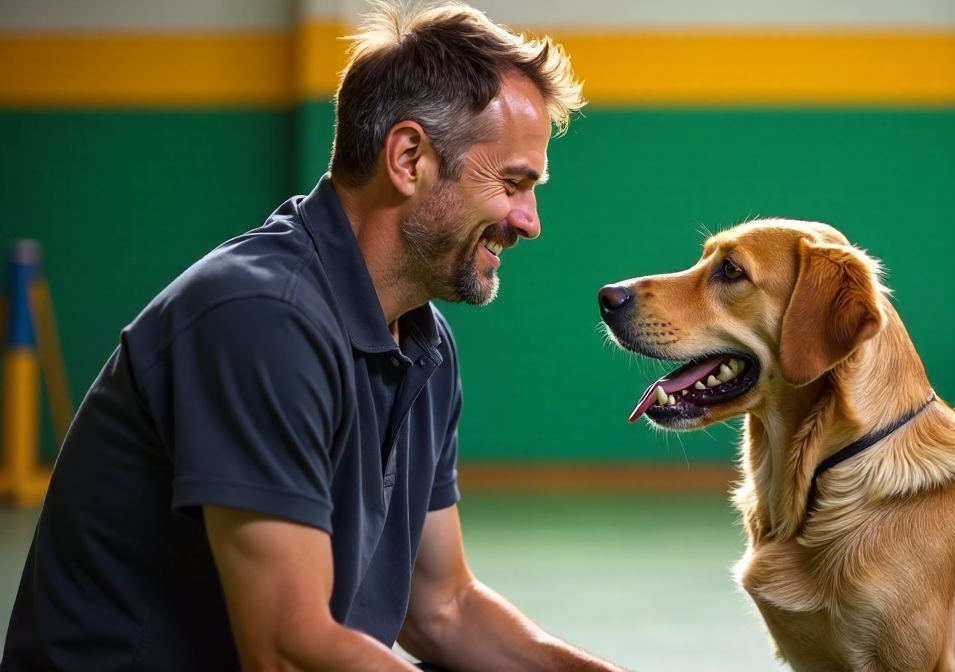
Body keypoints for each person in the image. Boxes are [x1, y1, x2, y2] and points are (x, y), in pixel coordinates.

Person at [2, 3, 623, 671]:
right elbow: (283, 650)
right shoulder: (260, 316)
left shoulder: (425, 345)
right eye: (512, 183)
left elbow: (442, 606)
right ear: (408, 158)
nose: (530, 221)